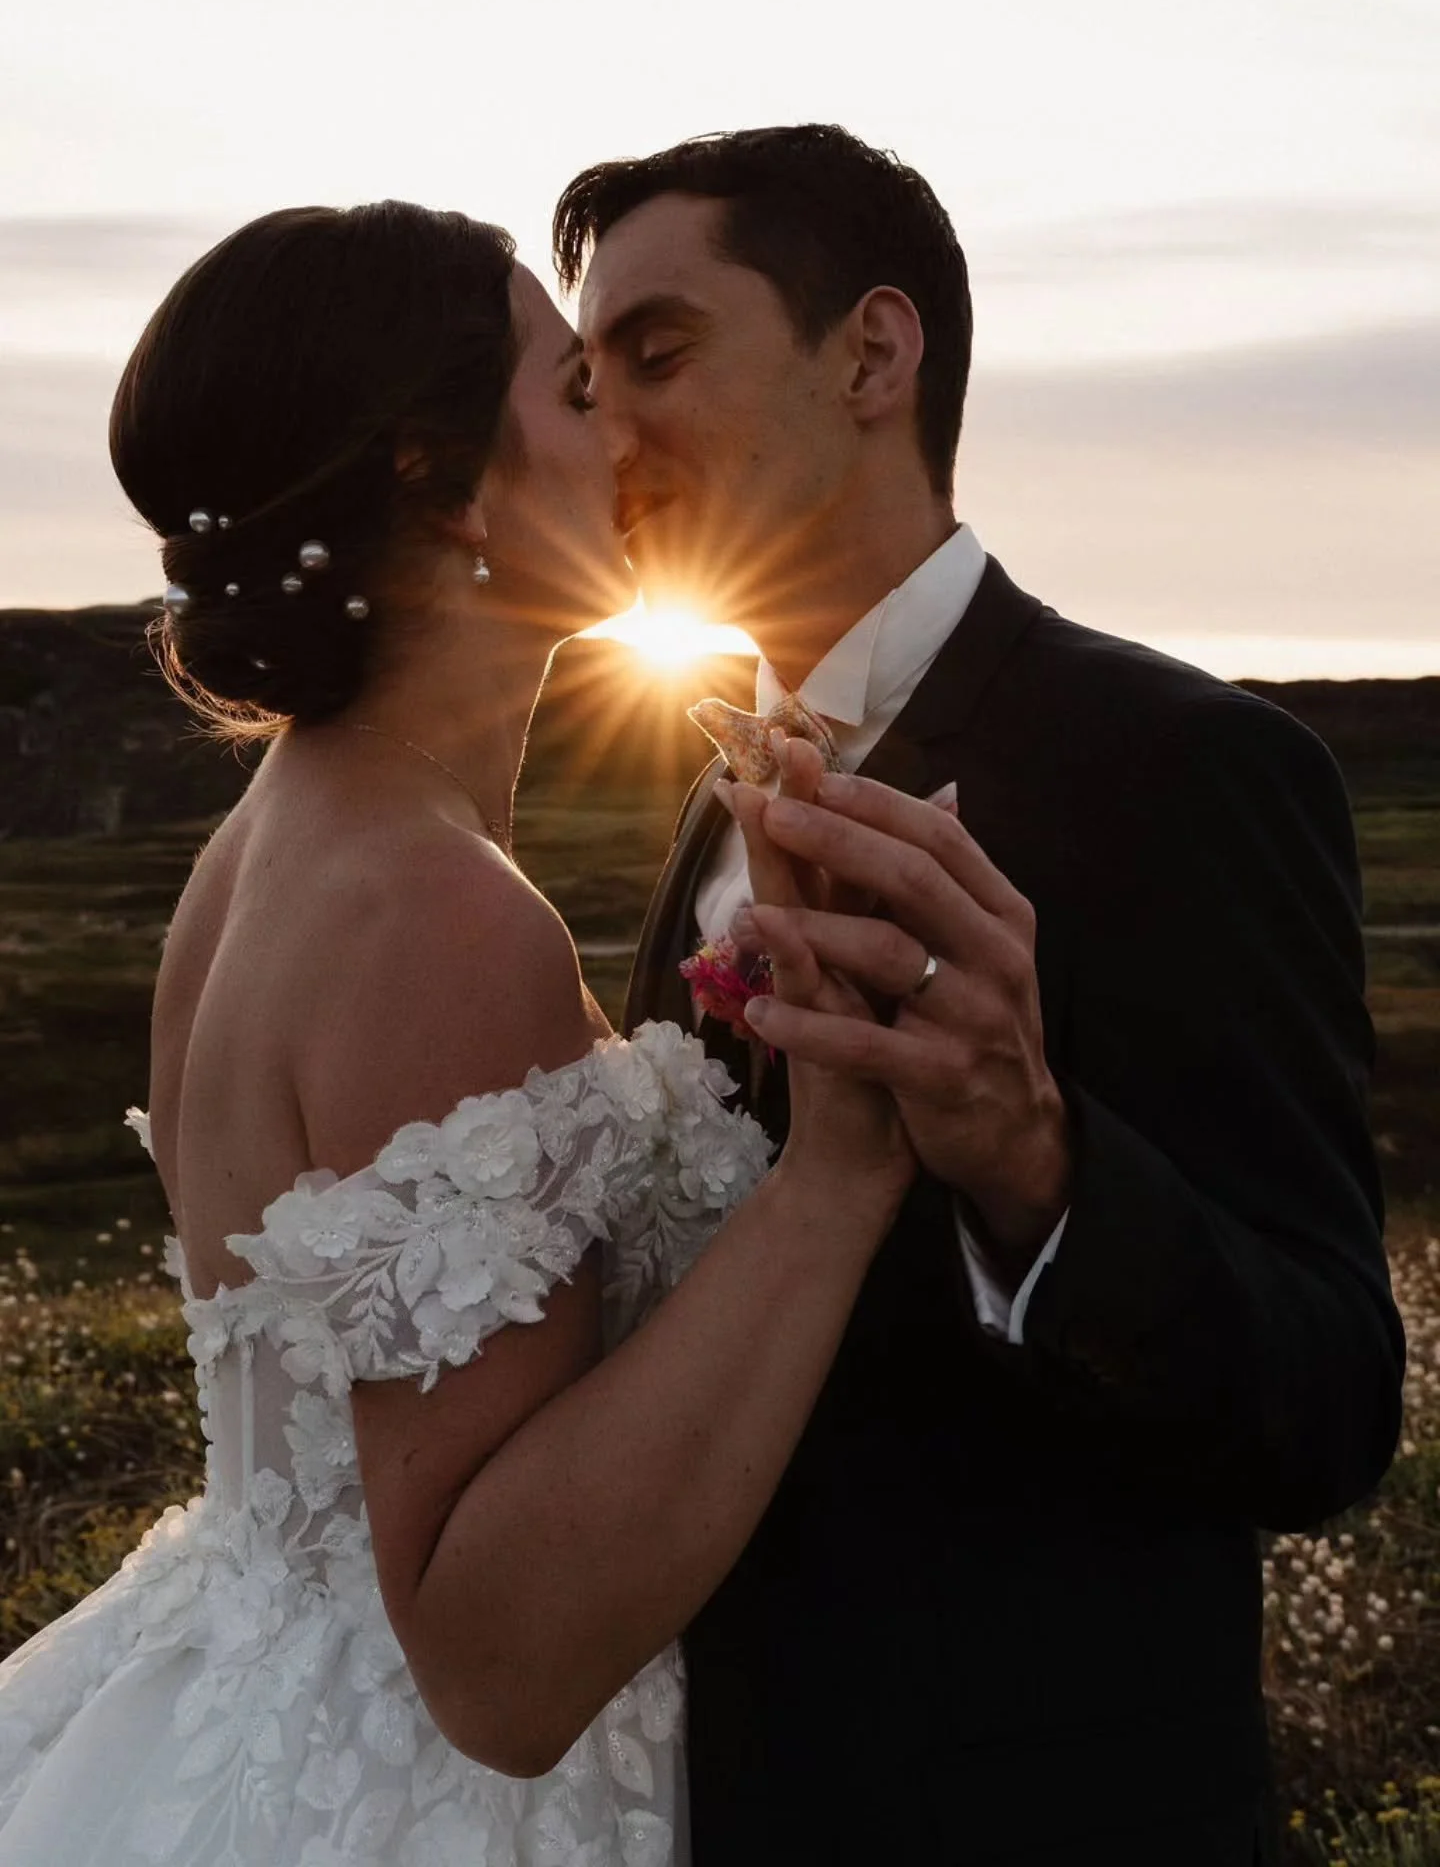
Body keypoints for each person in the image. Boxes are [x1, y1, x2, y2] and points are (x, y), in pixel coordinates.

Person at [0, 200, 915, 1867]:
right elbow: (494, 1662)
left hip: (251, 1697)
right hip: (438, 1799)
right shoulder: (440, 915)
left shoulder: (261, 851)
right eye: (578, 391)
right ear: (447, 481)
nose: (630, 428)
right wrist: (840, 1170)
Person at [558, 124, 1407, 1866]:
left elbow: (1329, 1408)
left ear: (873, 351)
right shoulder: (710, 786)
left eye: (656, 353)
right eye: (580, 379)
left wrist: (1034, 1160)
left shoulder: (1191, 770)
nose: (605, 433)